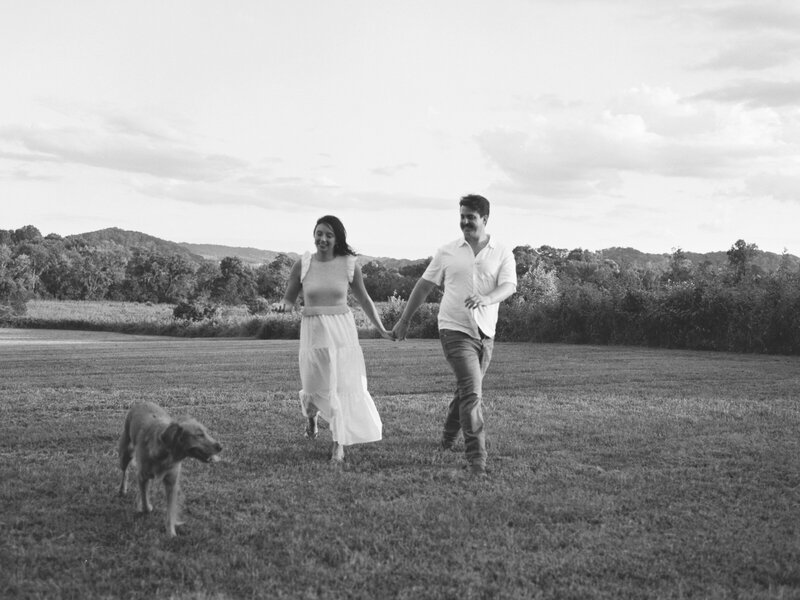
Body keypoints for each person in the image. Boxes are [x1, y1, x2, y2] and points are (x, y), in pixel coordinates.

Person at [392, 195, 517, 476]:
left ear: (485, 219)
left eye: (471, 217)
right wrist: (404, 320)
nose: (465, 222)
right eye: (462, 216)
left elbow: (509, 286)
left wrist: (487, 298)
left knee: (465, 391)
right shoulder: (447, 251)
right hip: (453, 329)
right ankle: (477, 460)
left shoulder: (502, 252)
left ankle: (447, 438)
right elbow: (423, 286)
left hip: (485, 333)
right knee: (472, 393)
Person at [273, 215, 393, 462]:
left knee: (341, 386)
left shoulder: (349, 265)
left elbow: (365, 300)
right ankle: (311, 419)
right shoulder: (302, 264)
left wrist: (381, 328)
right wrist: (283, 306)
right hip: (313, 331)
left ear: (337, 239)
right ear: (313, 235)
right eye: (319, 233)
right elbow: (289, 299)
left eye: (329, 235)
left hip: (341, 331)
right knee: (313, 384)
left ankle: (338, 443)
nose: (323, 239)